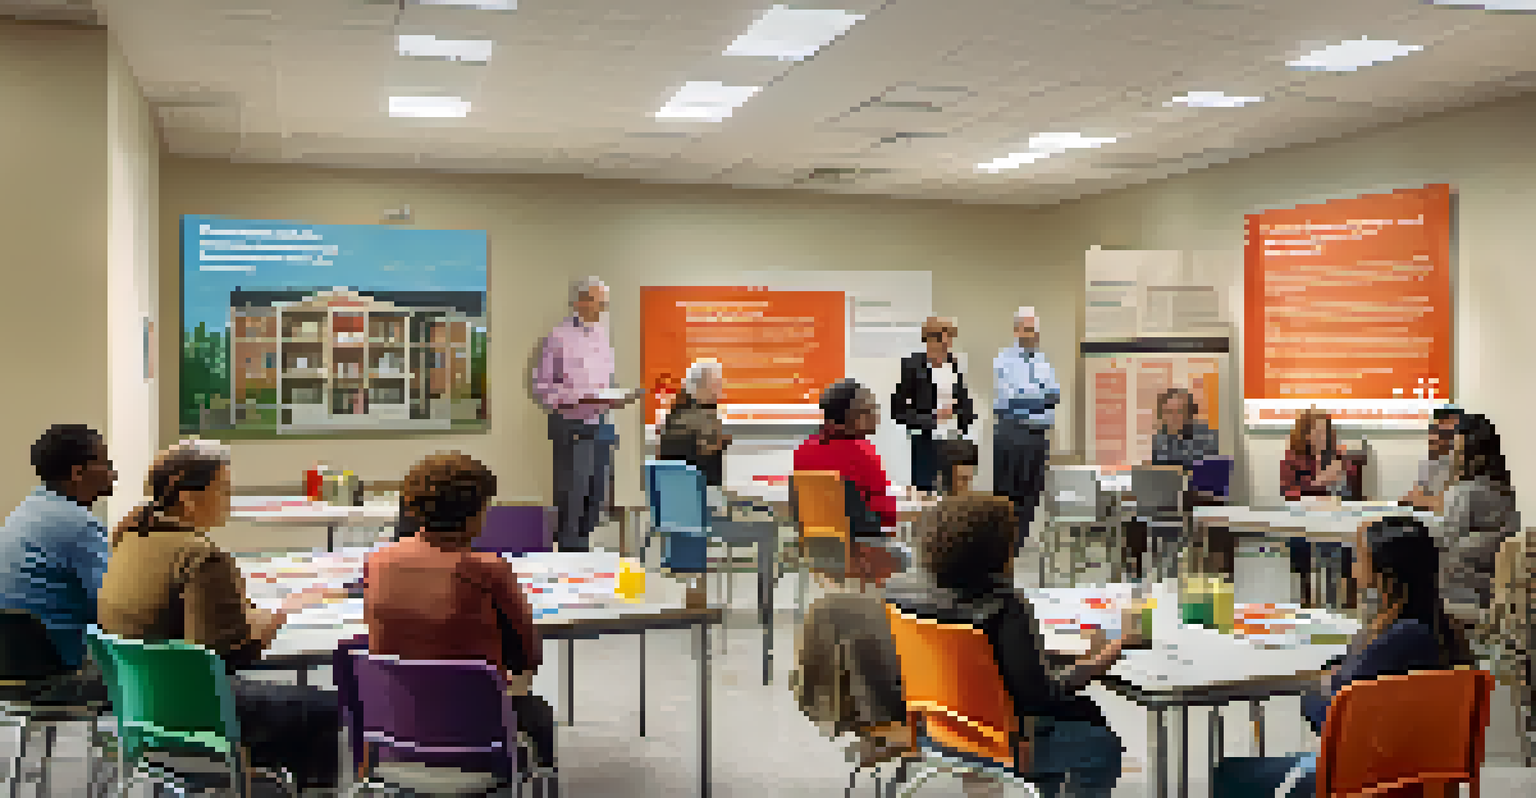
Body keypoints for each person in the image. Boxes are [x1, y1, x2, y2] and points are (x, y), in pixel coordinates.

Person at [97, 440, 341, 792]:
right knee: (323, 707)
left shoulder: (130, 537)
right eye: (224, 490)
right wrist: (279, 615)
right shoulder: (200, 556)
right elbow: (230, 654)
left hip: (142, 706)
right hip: (194, 712)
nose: (230, 500)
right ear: (188, 498)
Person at [884, 494, 1134, 798]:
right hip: (1005, 744)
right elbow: (1044, 694)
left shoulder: (900, 594)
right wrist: (1108, 653)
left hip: (932, 731)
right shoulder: (1005, 608)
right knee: (1101, 749)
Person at [1212, 516, 1475, 798]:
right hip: (1418, 782)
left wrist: (1313, 690)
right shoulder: (1439, 633)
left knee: (1231, 775)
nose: (1352, 566)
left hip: (1364, 782)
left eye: (1359, 557)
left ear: (1384, 574)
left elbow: (1331, 722)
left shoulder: (1398, 639)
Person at [361, 452, 558, 792]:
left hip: (394, 731)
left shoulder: (380, 561)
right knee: (536, 713)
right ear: (476, 515)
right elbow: (528, 656)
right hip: (478, 736)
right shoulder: (487, 569)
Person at [0, 424, 116, 703]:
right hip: (58, 673)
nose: (113, 473)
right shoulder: (78, 526)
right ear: (78, 472)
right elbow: (112, 606)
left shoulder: (22, 513)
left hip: (12, 668)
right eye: (106, 463)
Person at [532, 276, 636, 552]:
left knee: (597, 495)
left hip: (600, 423)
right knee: (572, 495)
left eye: (604, 303)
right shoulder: (558, 337)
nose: (601, 308)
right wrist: (578, 397)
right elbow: (542, 388)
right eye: (596, 302)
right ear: (579, 301)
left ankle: (584, 550)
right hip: (571, 424)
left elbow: (603, 382)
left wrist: (614, 397)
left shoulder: (602, 336)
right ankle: (569, 555)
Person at [794, 379, 905, 584]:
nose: (876, 415)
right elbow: (886, 512)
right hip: (861, 552)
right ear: (849, 417)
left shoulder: (804, 449)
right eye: (869, 409)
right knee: (910, 555)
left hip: (816, 550)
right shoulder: (861, 451)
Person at [1422, 412, 1520, 631]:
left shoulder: (1465, 491)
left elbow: (1445, 542)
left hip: (1461, 589)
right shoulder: (1504, 491)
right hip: (1494, 588)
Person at [1125, 388, 1226, 579]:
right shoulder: (1161, 438)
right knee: (1135, 518)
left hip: (1198, 497)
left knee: (1195, 510)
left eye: (1178, 412)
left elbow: (1202, 468)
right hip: (1169, 497)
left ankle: (1205, 572)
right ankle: (1137, 574)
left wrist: (1178, 469)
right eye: (1168, 413)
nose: (1172, 418)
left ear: (1189, 414)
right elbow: (1160, 471)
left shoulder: (1207, 435)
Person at [993, 307, 1059, 547]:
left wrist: (1031, 397)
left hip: (1037, 437)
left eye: (1036, 330)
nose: (1033, 335)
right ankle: (1003, 547)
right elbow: (1009, 400)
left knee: (1032, 495)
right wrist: (1038, 398)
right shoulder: (1004, 360)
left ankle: (1018, 545)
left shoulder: (1043, 361)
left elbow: (1054, 395)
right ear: (1017, 330)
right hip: (1012, 434)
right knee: (1008, 495)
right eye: (1029, 329)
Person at [1280, 409, 1360, 607]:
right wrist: (1318, 482)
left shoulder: (1336, 454)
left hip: (1334, 516)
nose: (1322, 436)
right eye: (1317, 431)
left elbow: (1351, 473)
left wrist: (1341, 471)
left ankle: (1348, 591)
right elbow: (1288, 491)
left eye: (1325, 431)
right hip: (1305, 518)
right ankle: (1306, 591)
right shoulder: (1293, 457)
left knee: (1348, 539)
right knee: (1299, 540)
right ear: (1305, 435)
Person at [892, 317, 975, 494]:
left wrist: (964, 417)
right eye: (938, 337)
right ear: (927, 340)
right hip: (925, 442)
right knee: (926, 496)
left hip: (954, 442)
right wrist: (932, 418)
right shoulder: (913, 366)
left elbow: (964, 401)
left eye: (949, 337)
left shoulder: (955, 364)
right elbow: (898, 410)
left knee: (955, 497)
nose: (945, 342)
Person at [657, 358, 731, 489]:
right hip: (694, 490)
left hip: (677, 490)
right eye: (715, 384)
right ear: (700, 386)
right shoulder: (695, 414)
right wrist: (724, 440)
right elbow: (707, 447)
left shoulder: (679, 409)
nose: (719, 389)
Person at [1399, 406, 1462, 510]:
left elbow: (1451, 506)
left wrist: (1426, 501)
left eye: (1443, 434)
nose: (1434, 438)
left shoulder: (1463, 464)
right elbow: (1407, 498)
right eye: (1433, 430)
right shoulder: (1429, 461)